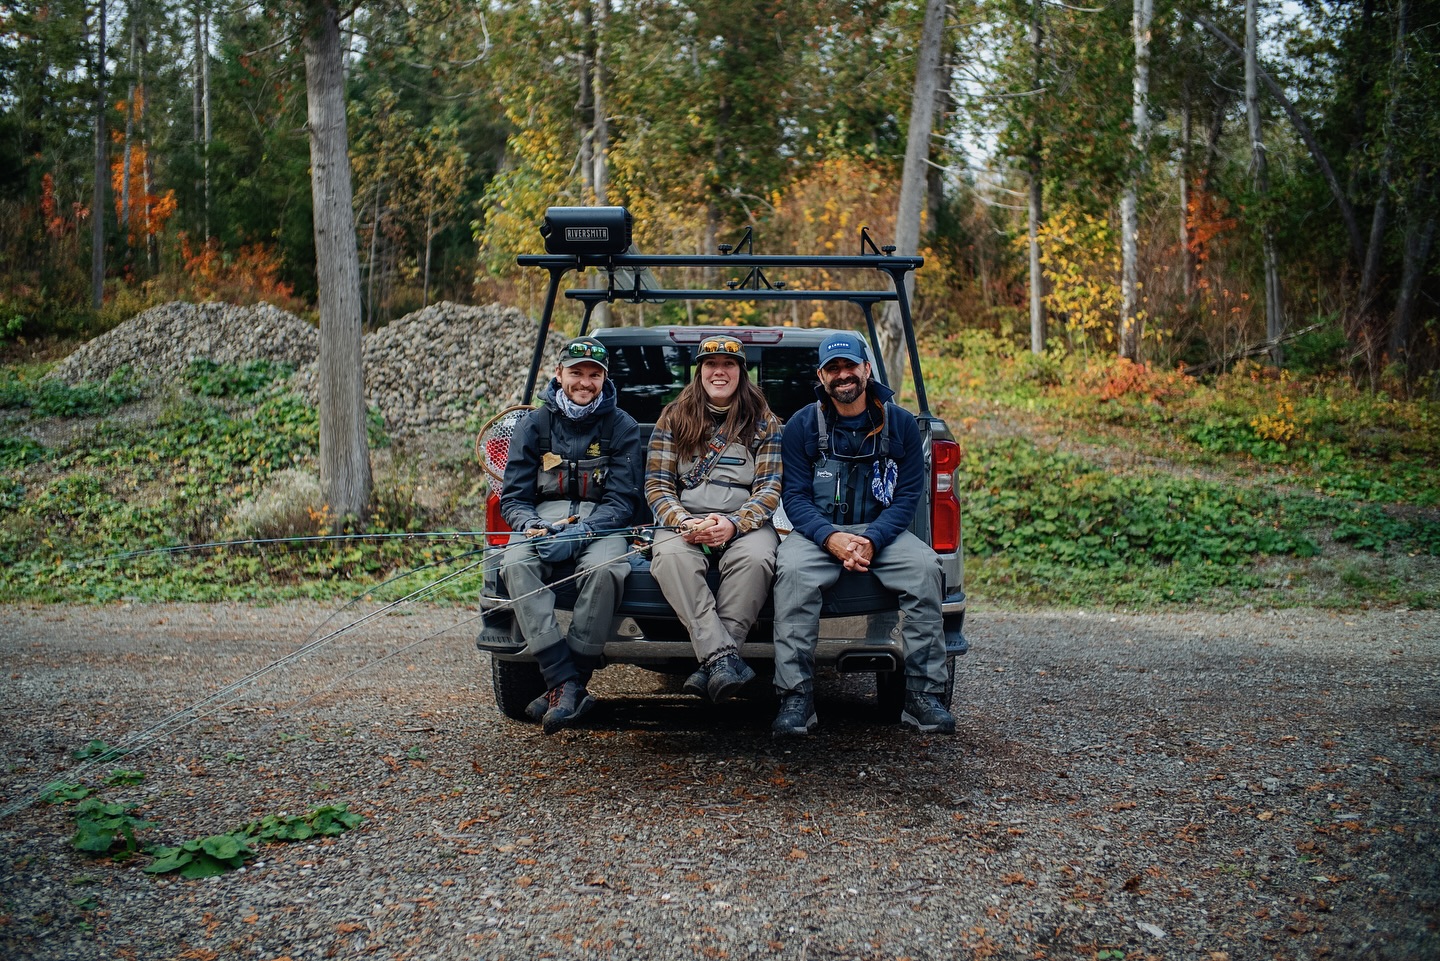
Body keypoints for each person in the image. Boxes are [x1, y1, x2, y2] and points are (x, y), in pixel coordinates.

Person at [770, 331, 956, 736]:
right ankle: (796, 698)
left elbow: (907, 497)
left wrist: (872, 540)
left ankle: (923, 696)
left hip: (883, 534)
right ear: (821, 376)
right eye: (833, 368)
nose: (843, 375)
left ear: (867, 369)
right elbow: (794, 497)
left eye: (850, 366)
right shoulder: (802, 425)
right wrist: (830, 538)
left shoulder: (901, 423)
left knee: (926, 568)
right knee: (793, 574)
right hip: (817, 534)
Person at [498, 336, 643, 733]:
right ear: (559, 374)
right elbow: (513, 497)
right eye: (576, 372)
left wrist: (583, 532)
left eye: (594, 375)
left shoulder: (623, 426)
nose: (585, 382)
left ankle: (566, 682)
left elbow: (623, 501)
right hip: (543, 518)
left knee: (607, 569)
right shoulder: (533, 424)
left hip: (603, 521)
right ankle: (566, 682)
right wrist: (529, 525)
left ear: (604, 378)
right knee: (515, 563)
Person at [644, 334, 783, 703]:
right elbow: (657, 485)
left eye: (728, 364)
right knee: (670, 557)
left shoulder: (764, 421)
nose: (719, 371)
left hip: (745, 524)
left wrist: (734, 524)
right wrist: (682, 521)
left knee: (757, 559)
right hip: (685, 521)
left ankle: (714, 661)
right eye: (711, 364)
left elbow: (769, 489)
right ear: (699, 371)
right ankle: (724, 660)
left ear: (741, 371)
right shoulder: (673, 417)